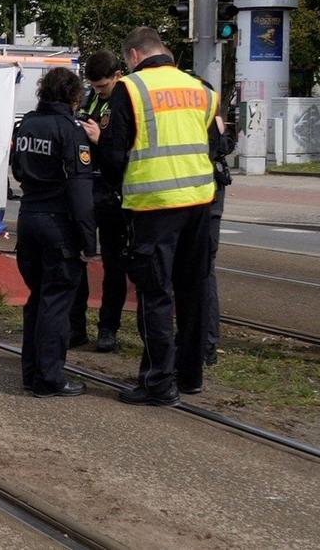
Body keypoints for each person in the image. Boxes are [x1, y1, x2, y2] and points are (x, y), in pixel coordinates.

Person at [98, 27, 216, 406]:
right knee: (193, 290)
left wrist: (121, 187)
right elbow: (218, 145)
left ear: (133, 56)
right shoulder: (201, 88)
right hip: (200, 201)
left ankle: (158, 382)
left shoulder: (130, 89)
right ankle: (190, 375)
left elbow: (114, 155)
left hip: (154, 206)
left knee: (155, 294)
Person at [12, 67, 98, 398]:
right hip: (58, 226)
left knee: (38, 299)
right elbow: (80, 191)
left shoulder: (26, 125)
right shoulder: (70, 131)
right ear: (75, 97)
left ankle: (32, 373)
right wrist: (89, 242)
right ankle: (50, 378)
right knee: (56, 304)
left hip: (28, 220)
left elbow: (18, 170)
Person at [69, 50, 129, 353]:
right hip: (87, 189)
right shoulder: (93, 99)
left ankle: (108, 328)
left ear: (118, 75)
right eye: (94, 86)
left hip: (112, 192)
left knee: (114, 264)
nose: (98, 91)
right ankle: (76, 327)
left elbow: (123, 154)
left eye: (103, 86)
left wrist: (98, 140)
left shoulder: (125, 100)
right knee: (78, 257)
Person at [201, 104, 235, 366]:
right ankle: (205, 344)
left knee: (200, 272)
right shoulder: (208, 103)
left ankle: (204, 344)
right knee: (203, 271)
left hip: (200, 197)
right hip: (210, 194)